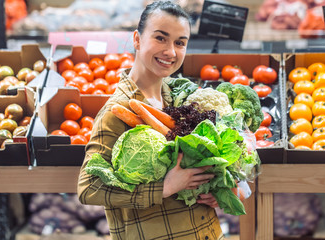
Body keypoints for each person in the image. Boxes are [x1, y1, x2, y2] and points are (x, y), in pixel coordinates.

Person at [78, 1, 224, 239]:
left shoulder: (178, 97)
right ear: (137, 39)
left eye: (180, 43)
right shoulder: (117, 111)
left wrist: (215, 188)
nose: (171, 52)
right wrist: (164, 188)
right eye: (160, 38)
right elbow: (88, 189)